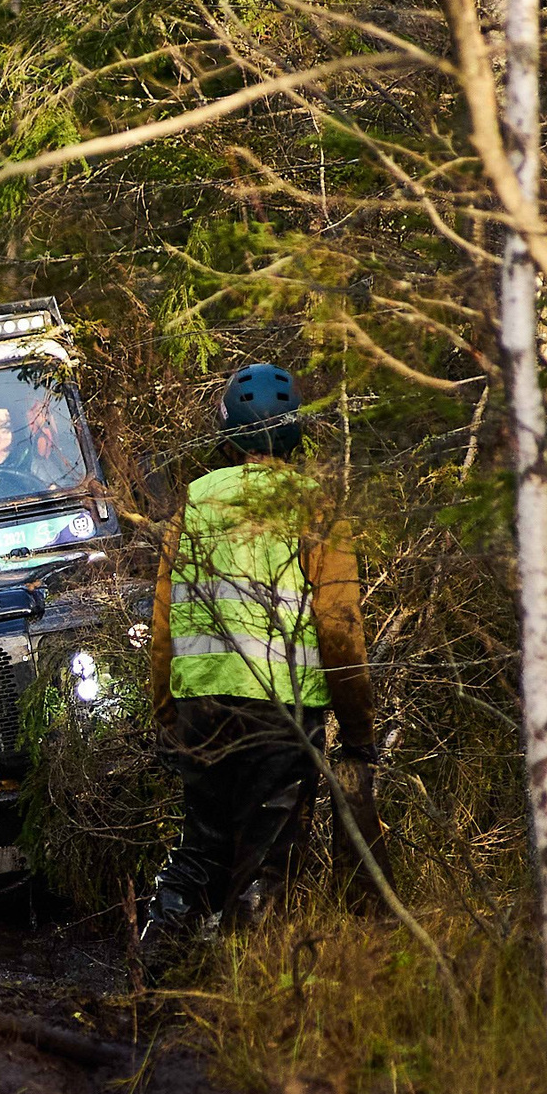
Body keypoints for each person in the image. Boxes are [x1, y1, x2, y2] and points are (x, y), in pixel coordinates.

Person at [139, 362, 379, 958]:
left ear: (228, 433)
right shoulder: (316, 509)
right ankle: (249, 988)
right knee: (266, 866)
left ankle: (154, 966)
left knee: (201, 848)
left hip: (201, 710)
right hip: (282, 717)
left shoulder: (195, 504)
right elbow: (339, 629)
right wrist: (358, 732)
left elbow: (163, 625)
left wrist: (167, 711)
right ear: (296, 434)